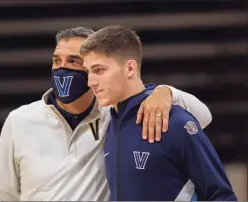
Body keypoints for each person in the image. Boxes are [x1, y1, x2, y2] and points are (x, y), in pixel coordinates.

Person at [0, 27, 212, 201]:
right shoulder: (20, 120)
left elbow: (204, 116)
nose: (62, 69)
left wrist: (166, 92)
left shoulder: (113, 114)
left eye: (74, 61)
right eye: (57, 61)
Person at [81, 25, 237, 201]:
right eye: (88, 72)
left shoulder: (174, 121)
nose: (90, 82)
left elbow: (222, 196)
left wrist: (167, 91)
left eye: (99, 70)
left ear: (130, 68)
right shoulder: (107, 126)